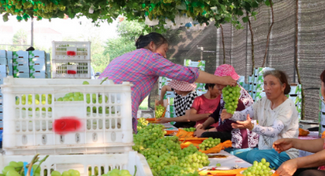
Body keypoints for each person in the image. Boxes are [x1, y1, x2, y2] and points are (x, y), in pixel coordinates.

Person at [99, 32, 236, 132]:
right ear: (152, 45)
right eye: (164, 50)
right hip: (118, 112)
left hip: (99, 108)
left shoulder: (124, 57)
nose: (165, 56)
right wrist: (221, 80)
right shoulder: (150, 57)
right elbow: (187, 74)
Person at [221, 69, 299, 169]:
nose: (267, 88)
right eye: (265, 84)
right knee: (229, 152)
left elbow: (274, 131)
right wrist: (231, 114)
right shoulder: (264, 101)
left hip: (284, 155)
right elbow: (245, 114)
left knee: (253, 155)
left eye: (272, 84)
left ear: (283, 86)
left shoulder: (288, 106)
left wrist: (251, 127)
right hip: (263, 151)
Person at [194, 64, 259, 149]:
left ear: (229, 81)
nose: (217, 86)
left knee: (206, 135)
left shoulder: (238, 99)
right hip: (228, 131)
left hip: (240, 139)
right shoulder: (226, 91)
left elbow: (229, 125)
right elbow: (217, 112)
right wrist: (204, 125)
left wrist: (204, 132)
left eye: (219, 83)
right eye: (216, 83)